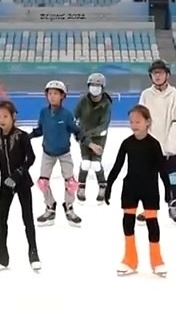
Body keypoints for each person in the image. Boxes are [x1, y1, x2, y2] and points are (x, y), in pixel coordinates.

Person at [104, 105, 167, 276]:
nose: (134, 125)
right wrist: (109, 185)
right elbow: (117, 166)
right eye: (131, 122)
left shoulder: (154, 144)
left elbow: (162, 169)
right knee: (128, 223)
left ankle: (157, 261)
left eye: (138, 121)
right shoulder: (127, 143)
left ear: (148, 122)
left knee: (152, 224)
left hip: (150, 189)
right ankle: (130, 260)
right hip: (130, 187)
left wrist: (168, 190)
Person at [29, 80, 93, 226]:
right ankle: (50, 206)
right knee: (43, 182)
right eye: (50, 93)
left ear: (62, 96)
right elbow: (40, 130)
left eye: (56, 94)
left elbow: (76, 131)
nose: (52, 96)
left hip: (64, 152)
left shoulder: (66, 115)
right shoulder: (43, 113)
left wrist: (89, 143)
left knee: (71, 182)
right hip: (48, 152)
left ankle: (69, 207)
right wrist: (28, 136)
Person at [0, 101, 40, 271]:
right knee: (1, 218)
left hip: (22, 182)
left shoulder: (22, 136)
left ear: (13, 117)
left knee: (27, 217)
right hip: (5, 183)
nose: (1, 120)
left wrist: (17, 175)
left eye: (5, 116)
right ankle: (1, 254)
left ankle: (33, 253)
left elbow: (31, 158)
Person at [139, 59, 176, 224]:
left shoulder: (174, 94)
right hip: (150, 146)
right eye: (154, 73)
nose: (157, 76)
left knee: (172, 179)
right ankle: (149, 209)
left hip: (170, 146)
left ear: (167, 75)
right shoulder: (146, 95)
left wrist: (170, 146)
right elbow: (141, 119)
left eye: (160, 72)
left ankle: (173, 208)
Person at [74, 72, 113, 202]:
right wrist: (76, 130)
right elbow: (75, 115)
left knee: (96, 163)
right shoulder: (83, 100)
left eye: (98, 85)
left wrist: (87, 134)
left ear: (102, 87)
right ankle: (81, 186)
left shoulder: (106, 104)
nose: (95, 88)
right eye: (92, 85)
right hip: (83, 136)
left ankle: (103, 186)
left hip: (98, 137)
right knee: (85, 163)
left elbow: (103, 125)